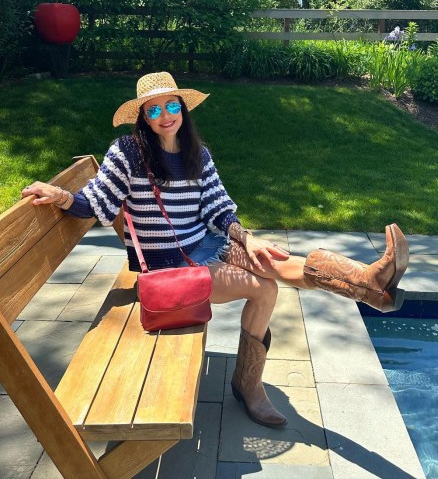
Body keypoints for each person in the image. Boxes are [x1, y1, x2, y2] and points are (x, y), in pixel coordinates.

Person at [21, 71, 409, 429]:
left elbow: (219, 208)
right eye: (153, 109)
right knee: (265, 288)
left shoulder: (197, 153)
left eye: (171, 105)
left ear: (183, 108)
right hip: (169, 268)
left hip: (207, 247)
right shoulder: (128, 153)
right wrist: (61, 196)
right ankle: (248, 385)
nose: (164, 115)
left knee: (271, 259)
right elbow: (97, 203)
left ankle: (367, 282)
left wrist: (247, 238)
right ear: (143, 117)